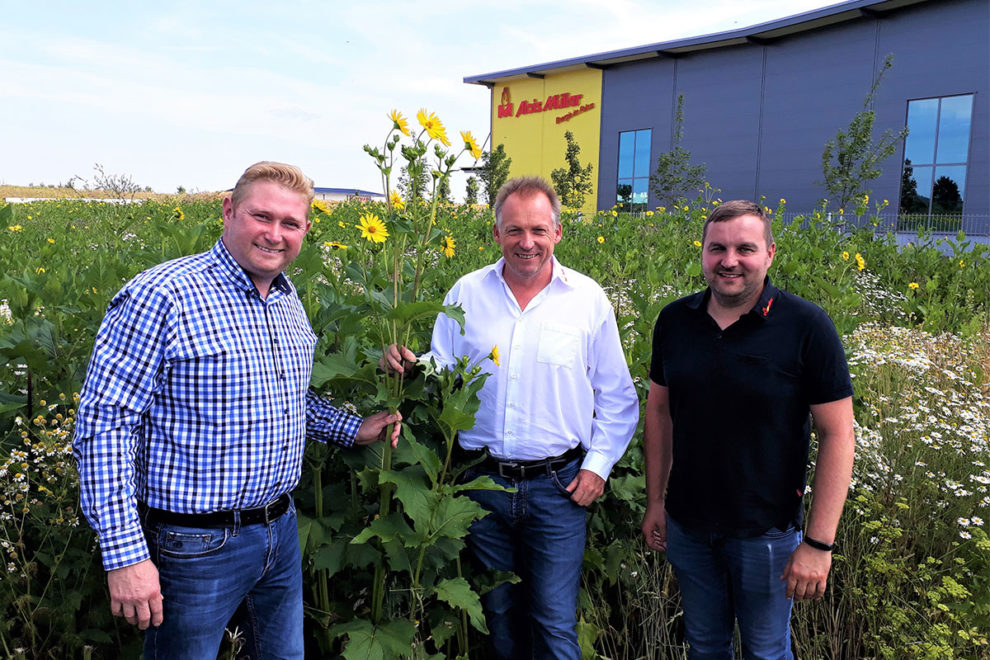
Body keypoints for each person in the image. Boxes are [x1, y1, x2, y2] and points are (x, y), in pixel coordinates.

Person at [73, 161, 401, 659]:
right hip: (193, 545)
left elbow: (287, 399)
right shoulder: (162, 294)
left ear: (305, 230)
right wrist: (124, 555)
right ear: (228, 210)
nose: (275, 234)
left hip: (279, 530)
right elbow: (106, 425)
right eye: (261, 216)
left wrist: (352, 429)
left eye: (290, 223)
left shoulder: (287, 300)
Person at [382, 176, 638, 659]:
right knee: (499, 618)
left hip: (558, 486)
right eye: (514, 229)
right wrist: (408, 364)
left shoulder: (586, 299)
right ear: (496, 232)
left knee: (554, 624)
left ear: (557, 232)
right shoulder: (467, 292)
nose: (527, 242)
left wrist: (598, 466)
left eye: (538, 230)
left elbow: (617, 395)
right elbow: (445, 368)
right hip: (481, 483)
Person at [640, 200, 855, 659]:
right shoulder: (675, 321)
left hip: (766, 533)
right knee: (704, 646)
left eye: (745, 248)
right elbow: (658, 412)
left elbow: (837, 434)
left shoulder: (806, 326)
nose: (729, 260)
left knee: (765, 651)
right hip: (688, 526)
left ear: (770, 253)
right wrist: (655, 501)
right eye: (717, 248)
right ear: (702, 253)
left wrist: (818, 543)